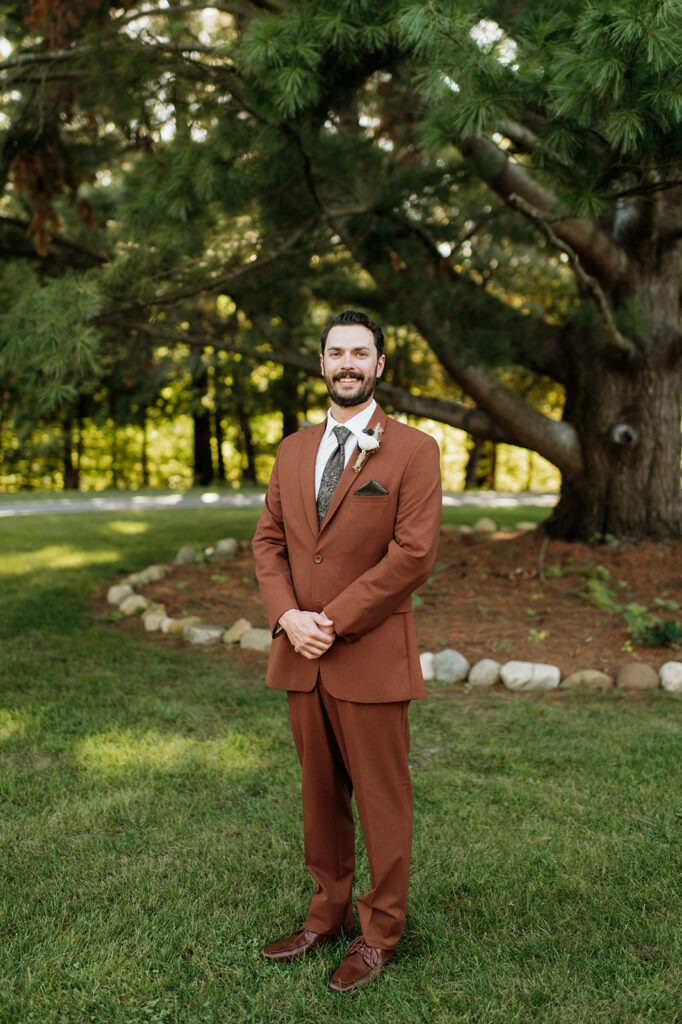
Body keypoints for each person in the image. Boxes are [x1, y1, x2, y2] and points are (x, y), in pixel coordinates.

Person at [252, 309, 442, 992]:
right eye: (337, 353)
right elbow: (268, 542)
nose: (348, 364)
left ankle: (380, 933)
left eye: (361, 353)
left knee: (382, 802)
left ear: (380, 365)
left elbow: (413, 556)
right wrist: (286, 617)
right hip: (300, 656)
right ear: (322, 363)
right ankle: (325, 914)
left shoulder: (415, 450)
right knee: (317, 796)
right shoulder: (293, 449)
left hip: (367, 656)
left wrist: (327, 619)